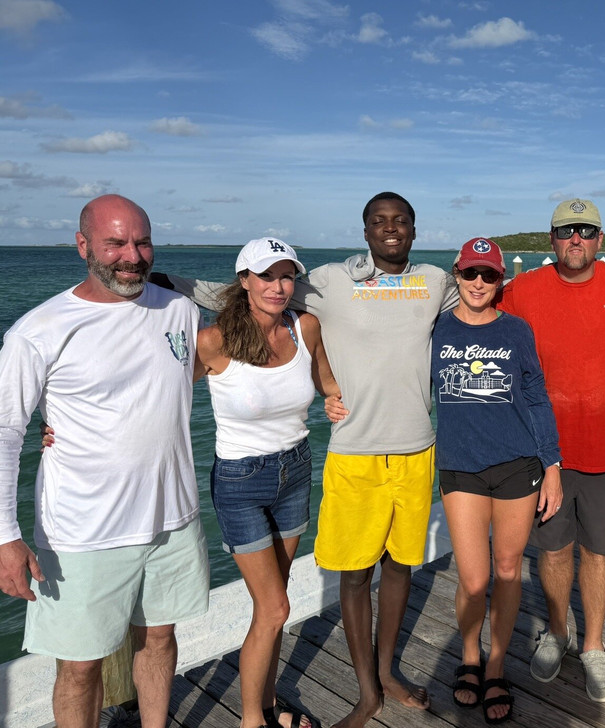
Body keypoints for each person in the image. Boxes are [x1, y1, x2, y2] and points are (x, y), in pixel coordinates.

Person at [164, 193, 456, 728]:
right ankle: (364, 695)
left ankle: (385, 673)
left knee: (399, 568)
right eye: (379, 221)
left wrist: (329, 391)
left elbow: (491, 290)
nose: (390, 229)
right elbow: (222, 294)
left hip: (415, 449)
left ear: (415, 230)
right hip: (350, 454)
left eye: (401, 221)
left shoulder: (436, 281)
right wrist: (153, 280)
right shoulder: (327, 282)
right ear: (364, 231)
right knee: (348, 576)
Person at [0, 194, 209, 728]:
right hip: (83, 532)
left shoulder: (180, 310)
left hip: (174, 519)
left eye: (142, 243)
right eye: (115, 243)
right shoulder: (37, 331)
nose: (132, 256)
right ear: (83, 245)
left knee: (160, 637)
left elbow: (173, 379)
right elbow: (5, 433)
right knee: (79, 667)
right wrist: (5, 536)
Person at [497, 199, 605, 703]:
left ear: (600, 239)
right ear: (552, 239)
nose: (576, 240)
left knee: (599, 553)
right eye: (566, 232)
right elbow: (478, 326)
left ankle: (594, 645)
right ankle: (558, 631)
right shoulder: (523, 289)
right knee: (554, 548)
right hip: (545, 453)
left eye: (586, 231)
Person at [197, 238, 339, 728]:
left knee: (272, 606)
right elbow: (160, 393)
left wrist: (336, 400)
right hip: (240, 482)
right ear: (244, 281)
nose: (278, 287)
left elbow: (325, 380)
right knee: (276, 607)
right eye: (266, 276)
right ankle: (250, 721)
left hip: (295, 472)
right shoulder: (214, 341)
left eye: (287, 276)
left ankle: (268, 703)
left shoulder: (305, 327)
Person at [432, 237, 563, 724]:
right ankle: (470, 656)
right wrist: (335, 390)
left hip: (517, 463)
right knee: (474, 578)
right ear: (457, 274)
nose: (478, 282)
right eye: (470, 273)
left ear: (500, 280)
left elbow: (536, 395)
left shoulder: (516, 330)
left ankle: (495, 665)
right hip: (460, 464)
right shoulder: (436, 328)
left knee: (508, 570)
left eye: (489, 275)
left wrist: (552, 465)